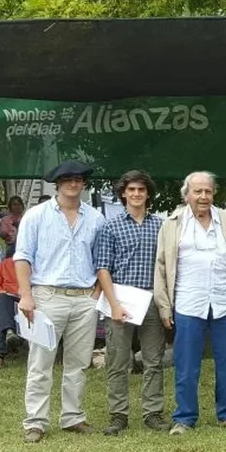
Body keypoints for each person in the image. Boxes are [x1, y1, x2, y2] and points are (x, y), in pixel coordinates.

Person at [16, 160, 106, 443]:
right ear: (57, 183)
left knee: (78, 363)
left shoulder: (95, 218)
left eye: (78, 179)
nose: (73, 183)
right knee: (41, 361)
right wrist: (26, 295)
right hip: (47, 295)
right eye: (67, 179)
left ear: (83, 184)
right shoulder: (36, 215)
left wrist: (96, 294)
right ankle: (35, 422)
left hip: (83, 299)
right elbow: (22, 256)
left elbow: (102, 260)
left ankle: (73, 417)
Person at [155, 171, 226, 435]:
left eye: (207, 191)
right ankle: (184, 418)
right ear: (187, 195)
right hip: (187, 303)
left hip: (225, 301)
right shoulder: (173, 224)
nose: (203, 196)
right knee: (186, 364)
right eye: (197, 192)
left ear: (214, 194)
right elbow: (161, 266)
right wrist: (164, 305)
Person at [94, 170, 169, 436]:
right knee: (117, 359)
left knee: (153, 359)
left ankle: (153, 412)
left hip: (151, 299)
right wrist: (113, 304)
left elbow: (167, 265)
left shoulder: (160, 226)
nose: (136, 194)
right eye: (131, 190)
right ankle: (118, 415)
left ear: (148, 194)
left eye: (141, 190)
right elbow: (103, 268)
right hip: (120, 299)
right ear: (123, 193)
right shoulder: (109, 227)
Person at [0, 249, 23, 368]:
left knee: (5, 315)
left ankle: (0, 354)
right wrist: (1, 291)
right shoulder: (6, 264)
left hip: (25, 302)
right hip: (6, 300)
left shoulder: (38, 264)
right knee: (3, 301)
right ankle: (9, 332)